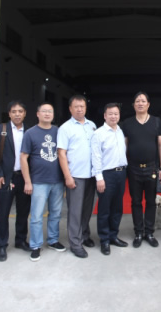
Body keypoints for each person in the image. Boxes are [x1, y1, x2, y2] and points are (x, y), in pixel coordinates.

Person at [20, 102, 67, 262]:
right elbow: (23, 158)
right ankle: (35, 245)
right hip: (38, 181)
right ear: (38, 114)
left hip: (57, 180)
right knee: (37, 215)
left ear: (53, 115)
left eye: (50, 111)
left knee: (55, 213)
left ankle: (53, 240)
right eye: (44, 111)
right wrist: (27, 181)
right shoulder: (30, 133)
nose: (47, 114)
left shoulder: (59, 131)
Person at [120, 92, 161, 248]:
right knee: (136, 201)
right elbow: (124, 146)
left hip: (151, 168)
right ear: (133, 105)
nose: (140, 103)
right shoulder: (127, 123)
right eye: (137, 101)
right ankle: (138, 232)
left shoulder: (156, 122)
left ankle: (149, 232)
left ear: (148, 104)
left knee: (151, 201)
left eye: (143, 101)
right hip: (133, 169)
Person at [0, 100, 31, 262]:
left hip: (24, 177)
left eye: (20, 111)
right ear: (9, 114)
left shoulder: (30, 130)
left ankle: (20, 240)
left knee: (23, 211)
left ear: (25, 113)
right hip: (6, 177)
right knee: (3, 212)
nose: (17, 114)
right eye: (14, 111)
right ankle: (1, 244)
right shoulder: (0, 130)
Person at [57, 95, 97, 258]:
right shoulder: (65, 128)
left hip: (91, 175)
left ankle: (84, 235)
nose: (79, 109)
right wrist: (68, 176)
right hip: (76, 176)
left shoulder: (92, 125)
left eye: (82, 106)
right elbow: (61, 153)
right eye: (76, 106)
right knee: (75, 211)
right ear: (70, 109)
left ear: (86, 108)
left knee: (87, 209)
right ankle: (75, 243)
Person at [91, 103, 129, 256]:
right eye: (110, 114)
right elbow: (96, 157)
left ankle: (113, 235)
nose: (113, 116)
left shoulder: (120, 131)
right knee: (104, 209)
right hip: (106, 175)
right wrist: (99, 178)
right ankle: (104, 239)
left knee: (117, 207)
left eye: (116, 114)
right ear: (105, 116)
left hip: (121, 173)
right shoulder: (98, 134)